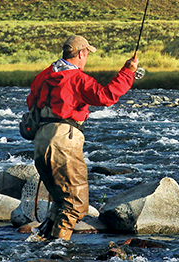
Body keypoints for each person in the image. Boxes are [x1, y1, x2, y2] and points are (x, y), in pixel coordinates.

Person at [27, 34, 138, 240]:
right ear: (81, 53)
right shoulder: (78, 78)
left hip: (40, 141)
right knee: (76, 204)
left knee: (61, 201)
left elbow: (31, 102)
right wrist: (127, 72)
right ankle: (58, 250)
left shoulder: (44, 75)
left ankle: (43, 243)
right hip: (64, 141)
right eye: (87, 53)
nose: (87, 58)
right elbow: (106, 96)